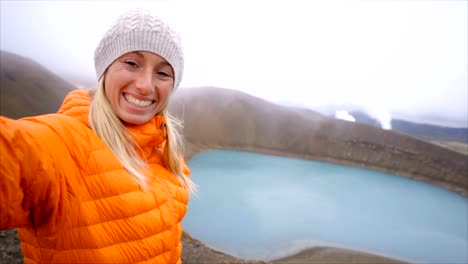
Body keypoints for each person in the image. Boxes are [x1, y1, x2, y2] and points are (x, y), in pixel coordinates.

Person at [0, 8, 196, 263]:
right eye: (131, 63)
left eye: (162, 72)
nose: (146, 85)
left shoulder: (167, 154)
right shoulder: (64, 143)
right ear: (105, 69)